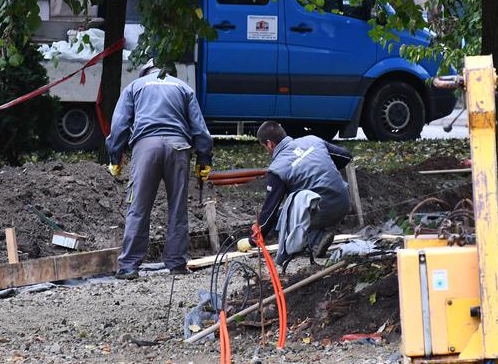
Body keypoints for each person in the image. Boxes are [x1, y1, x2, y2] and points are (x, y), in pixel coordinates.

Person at [106, 61, 213, 279]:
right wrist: (204, 158)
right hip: (179, 148)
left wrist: (115, 156)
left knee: (138, 207)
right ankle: (176, 264)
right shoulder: (183, 88)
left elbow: (119, 126)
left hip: (146, 148)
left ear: (145, 72)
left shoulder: (135, 87)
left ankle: (128, 266)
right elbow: (200, 128)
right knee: (178, 208)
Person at [237, 121, 352, 264]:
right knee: (308, 199)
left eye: (264, 147)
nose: (266, 150)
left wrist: (253, 239)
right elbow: (346, 156)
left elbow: (269, 212)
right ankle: (322, 230)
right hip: (344, 202)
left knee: (283, 214)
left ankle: (314, 239)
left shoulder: (278, 169)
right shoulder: (313, 140)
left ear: (270, 144)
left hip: (321, 211)